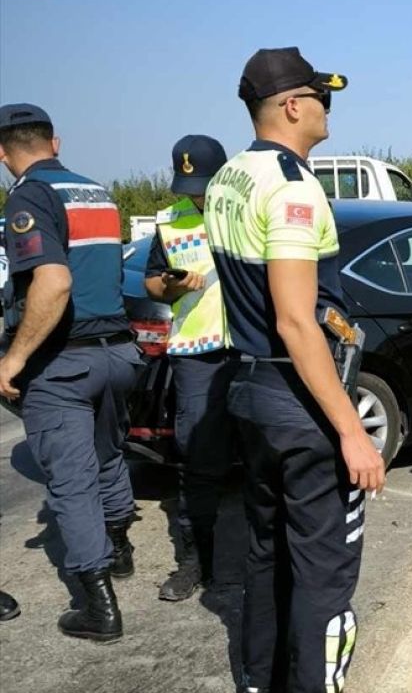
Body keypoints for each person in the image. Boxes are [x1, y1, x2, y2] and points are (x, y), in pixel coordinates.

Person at [204, 47, 384, 692]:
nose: (328, 108)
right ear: (291, 105)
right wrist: (350, 429)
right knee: (324, 569)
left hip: (250, 385)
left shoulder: (228, 177)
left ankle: (261, 680)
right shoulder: (291, 183)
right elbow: (296, 320)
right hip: (296, 391)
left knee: (265, 553)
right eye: (321, 97)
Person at [0, 103, 141, 641]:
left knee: (72, 482)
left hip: (65, 362)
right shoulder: (95, 191)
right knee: (107, 455)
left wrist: (14, 357)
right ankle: (121, 545)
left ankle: (97, 606)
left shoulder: (29, 197)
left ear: (3, 152)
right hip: (117, 355)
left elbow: (54, 283)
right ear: (54, 144)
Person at [143, 134, 234, 602]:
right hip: (196, 354)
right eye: (188, 184)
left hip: (249, 349)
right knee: (197, 461)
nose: (195, 193)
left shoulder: (244, 213)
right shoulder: (170, 223)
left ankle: (262, 560)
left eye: (203, 184)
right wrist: (172, 285)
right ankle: (196, 562)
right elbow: (154, 284)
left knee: (266, 456)